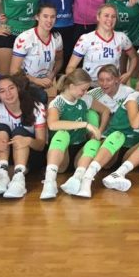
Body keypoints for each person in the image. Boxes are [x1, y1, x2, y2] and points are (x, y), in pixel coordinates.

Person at [41, 69, 104, 200]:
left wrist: (98, 130)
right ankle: (49, 182)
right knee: (62, 134)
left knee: (94, 142)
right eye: (83, 89)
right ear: (71, 86)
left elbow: (106, 111)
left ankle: (78, 178)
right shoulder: (58, 102)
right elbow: (53, 124)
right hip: (62, 154)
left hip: (79, 153)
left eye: (87, 89)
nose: (85, 93)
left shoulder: (85, 99)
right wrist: (85, 124)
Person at [0, 72, 47, 199]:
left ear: (18, 88)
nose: (8, 94)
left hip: (31, 155)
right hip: (6, 155)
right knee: (2, 128)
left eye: (11, 88)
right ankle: (3, 176)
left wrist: (28, 141)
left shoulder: (36, 107)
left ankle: (19, 180)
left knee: (19, 132)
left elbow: (41, 145)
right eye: (2, 91)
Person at [65, 3, 136, 83]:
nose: (110, 19)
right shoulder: (86, 39)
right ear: (98, 17)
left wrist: (129, 73)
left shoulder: (121, 37)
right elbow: (70, 67)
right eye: (106, 15)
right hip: (90, 86)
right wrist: (79, 83)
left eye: (113, 16)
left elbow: (134, 57)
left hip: (112, 85)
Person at [10, 3, 64, 104]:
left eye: (52, 17)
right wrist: (36, 80)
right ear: (37, 17)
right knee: (42, 97)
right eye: (45, 16)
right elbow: (14, 71)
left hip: (45, 84)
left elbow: (59, 60)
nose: (49, 20)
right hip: (25, 84)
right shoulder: (25, 38)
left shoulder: (57, 37)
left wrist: (52, 75)